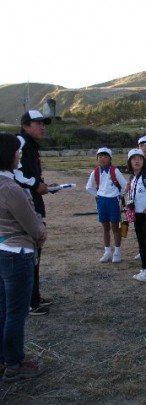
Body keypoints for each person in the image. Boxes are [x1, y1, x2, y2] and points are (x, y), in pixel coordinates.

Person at [0, 133, 48, 382]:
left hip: (2, 251)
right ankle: (14, 363)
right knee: (16, 313)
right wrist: (41, 231)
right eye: (17, 151)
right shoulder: (10, 188)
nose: (19, 155)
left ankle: (5, 358)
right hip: (17, 254)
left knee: (3, 309)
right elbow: (31, 224)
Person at [15, 110, 55, 316]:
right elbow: (14, 173)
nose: (42, 126)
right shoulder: (20, 142)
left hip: (33, 202)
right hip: (25, 206)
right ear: (25, 126)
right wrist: (35, 184)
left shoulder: (31, 145)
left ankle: (35, 296)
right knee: (29, 252)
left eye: (43, 123)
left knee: (35, 252)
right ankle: (29, 302)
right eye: (37, 123)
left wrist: (42, 184)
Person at [86, 147, 128, 263]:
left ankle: (117, 252)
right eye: (100, 157)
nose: (102, 159)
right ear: (97, 159)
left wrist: (119, 195)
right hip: (102, 201)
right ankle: (107, 252)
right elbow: (89, 187)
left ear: (110, 159)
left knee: (115, 227)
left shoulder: (115, 171)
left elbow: (125, 185)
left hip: (113, 201)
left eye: (105, 157)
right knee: (105, 227)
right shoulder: (96, 172)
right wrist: (98, 196)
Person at [126, 149, 146, 282]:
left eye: (139, 158)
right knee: (141, 242)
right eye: (134, 159)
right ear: (130, 162)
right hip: (137, 214)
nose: (137, 161)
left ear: (144, 161)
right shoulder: (132, 178)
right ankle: (145, 268)